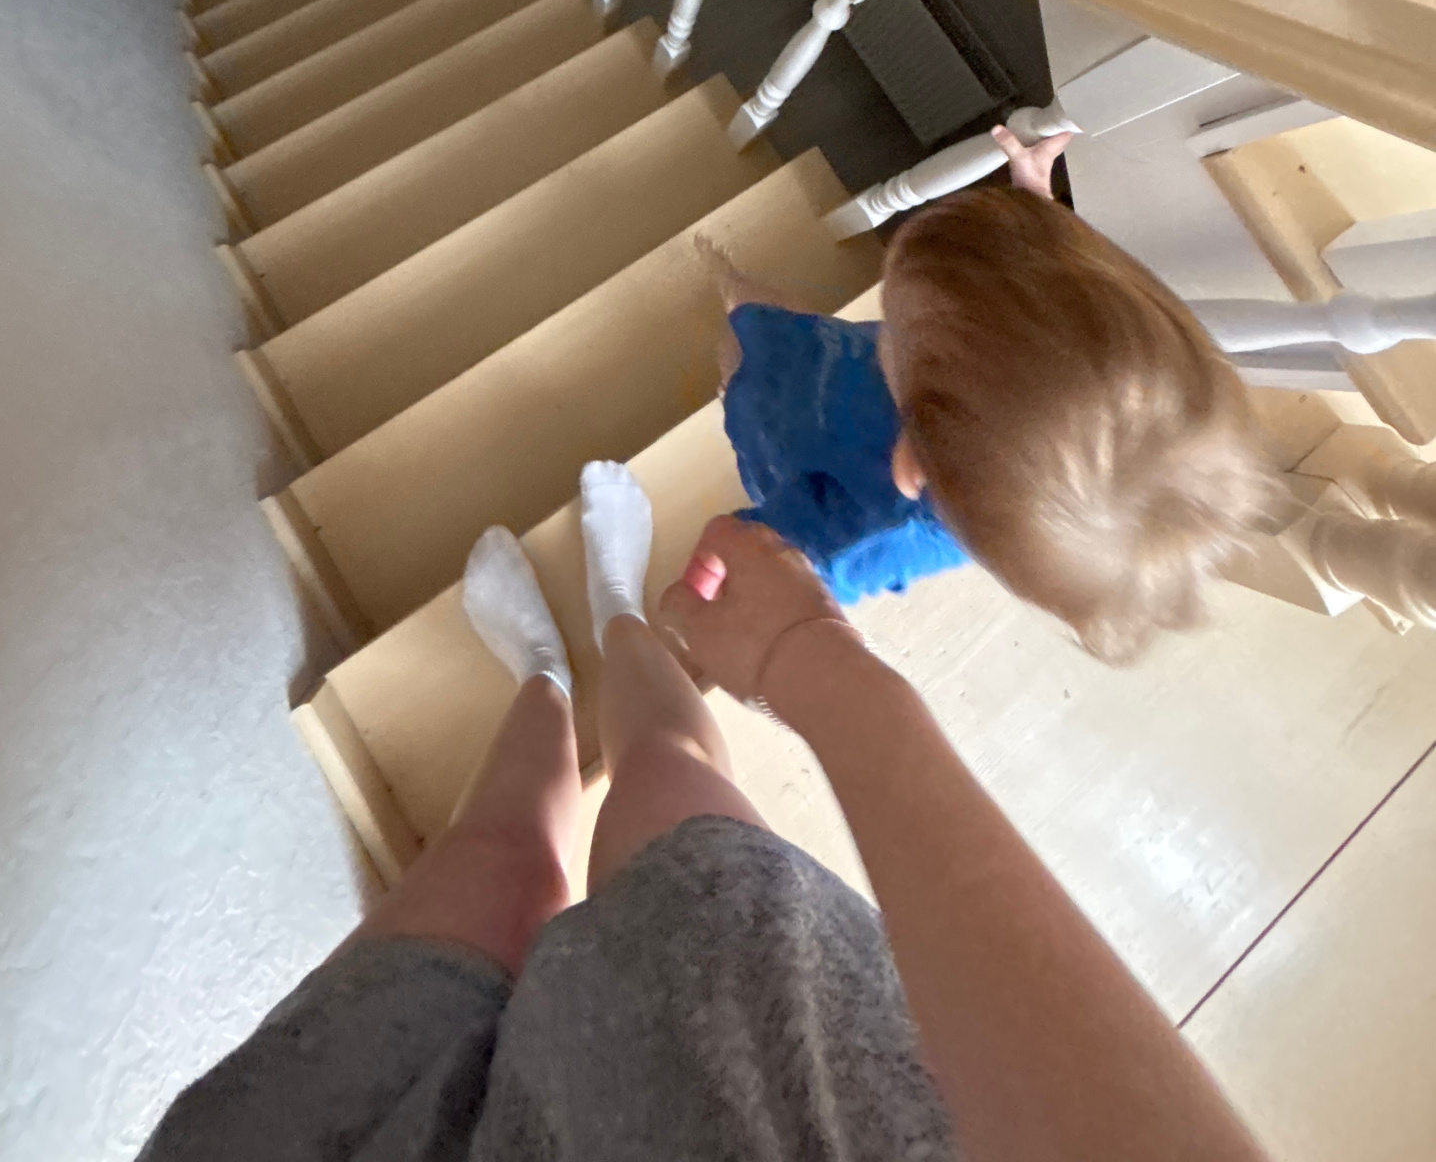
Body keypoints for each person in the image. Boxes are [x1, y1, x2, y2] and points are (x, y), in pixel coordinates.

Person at [141, 465, 1268, 1162]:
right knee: (634, 789)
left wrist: (820, 663)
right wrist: (813, 659)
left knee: (495, 872)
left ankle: (550, 672)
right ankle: (599, 630)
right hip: (768, 1083)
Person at [706, 124, 1281, 660]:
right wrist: (1037, 215)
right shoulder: (1000, 411)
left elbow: (772, 564)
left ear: (912, 462)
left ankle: (732, 349)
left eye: (902, 326)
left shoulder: (865, 536)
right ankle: (743, 317)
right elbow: (1060, 319)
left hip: (789, 432)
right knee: (779, 330)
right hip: (848, 380)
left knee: (749, 349)